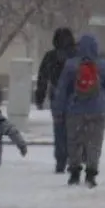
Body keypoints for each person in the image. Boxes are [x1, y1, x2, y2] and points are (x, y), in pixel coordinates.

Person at [54, 33, 105, 188]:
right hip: (98, 110)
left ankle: (74, 173)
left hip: (75, 110)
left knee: (74, 142)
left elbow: (62, 90)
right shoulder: (104, 66)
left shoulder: (70, 65)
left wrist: (58, 111)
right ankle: (91, 173)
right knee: (94, 143)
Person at [34, 27, 76, 174]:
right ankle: (74, 159)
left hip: (57, 98)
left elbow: (42, 78)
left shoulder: (50, 56)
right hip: (75, 99)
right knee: (74, 130)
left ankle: (60, 160)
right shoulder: (77, 56)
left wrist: (39, 97)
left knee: (59, 130)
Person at [0, 97, 30, 195]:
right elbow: (13, 132)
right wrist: (22, 146)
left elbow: (13, 132)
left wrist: (22, 146)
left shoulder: (0, 122)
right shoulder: (1, 122)